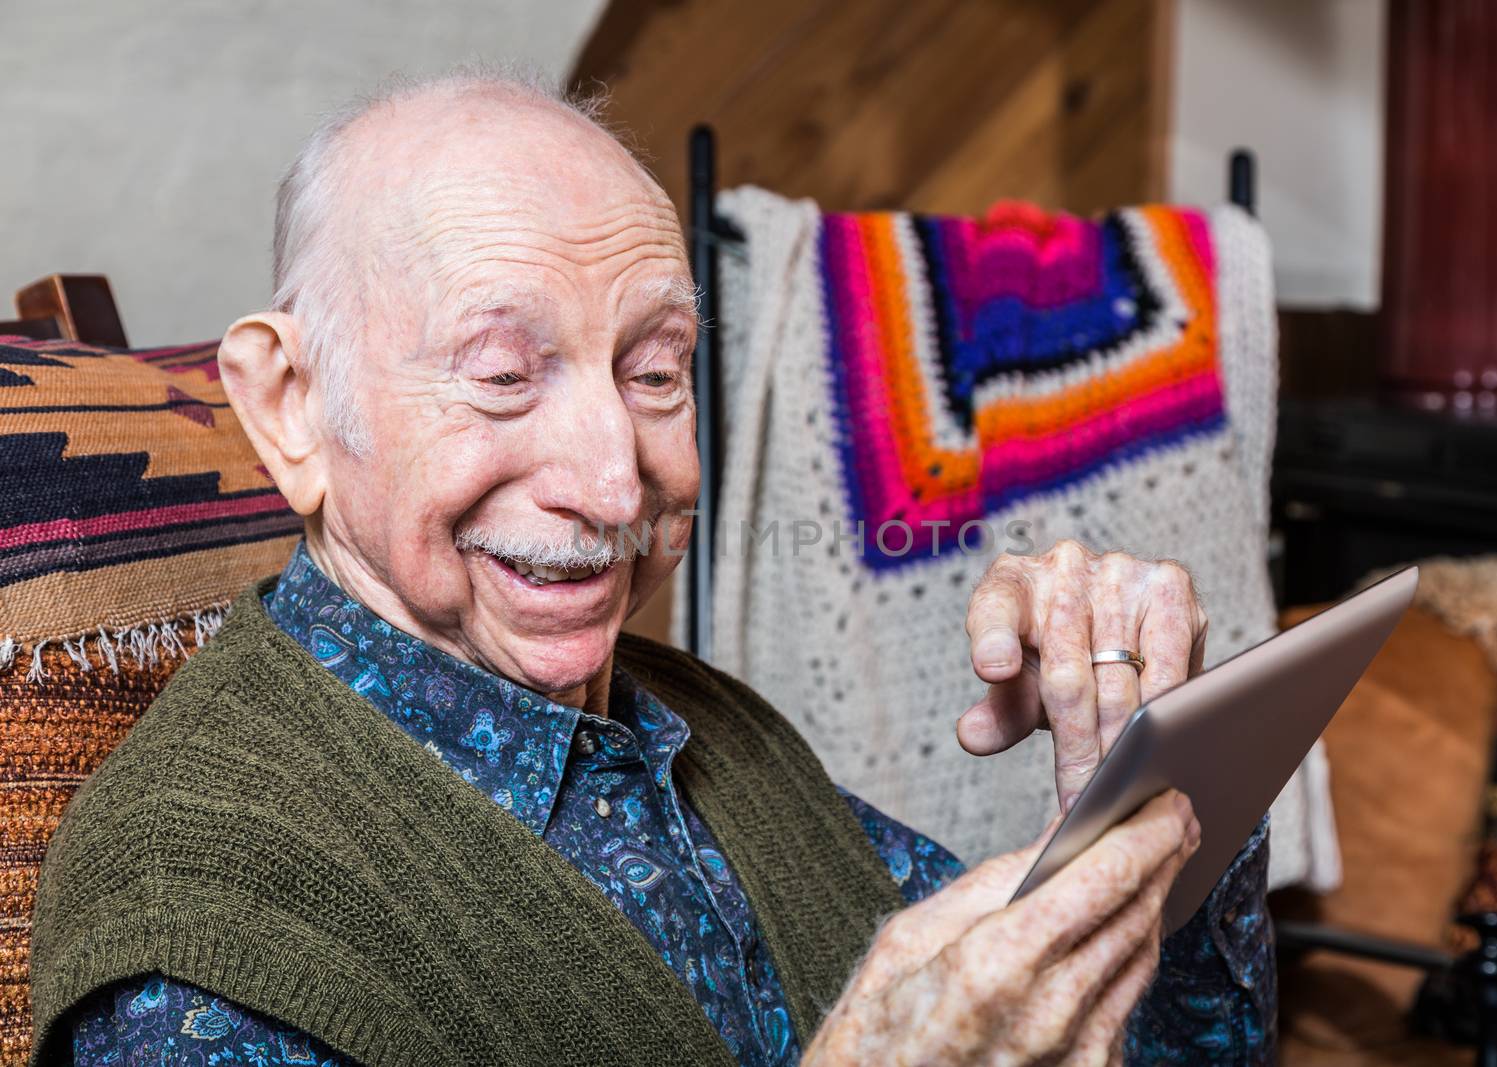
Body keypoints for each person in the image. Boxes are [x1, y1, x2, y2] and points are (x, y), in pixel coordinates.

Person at [32, 68, 1272, 1067]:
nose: (618, 484)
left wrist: (1147, 781)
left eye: (654, 370)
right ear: (293, 404)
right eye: (503, 374)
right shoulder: (199, 942)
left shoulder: (705, 726)